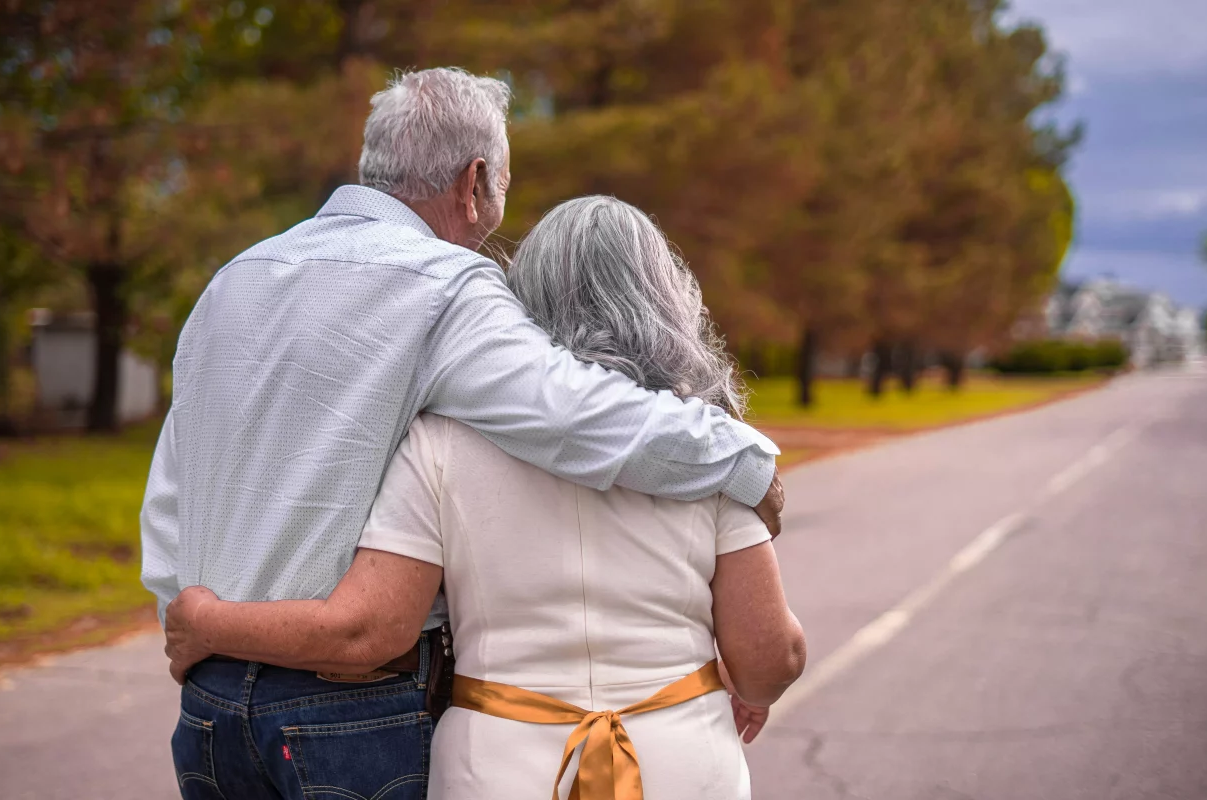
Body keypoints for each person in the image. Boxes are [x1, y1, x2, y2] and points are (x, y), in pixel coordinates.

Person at [140, 68, 785, 800]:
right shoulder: (448, 287)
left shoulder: (234, 280)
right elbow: (577, 414)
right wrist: (745, 459)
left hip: (210, 709)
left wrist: (191, 625)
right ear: (475, 180)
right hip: (350, 713)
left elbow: (172, 490)